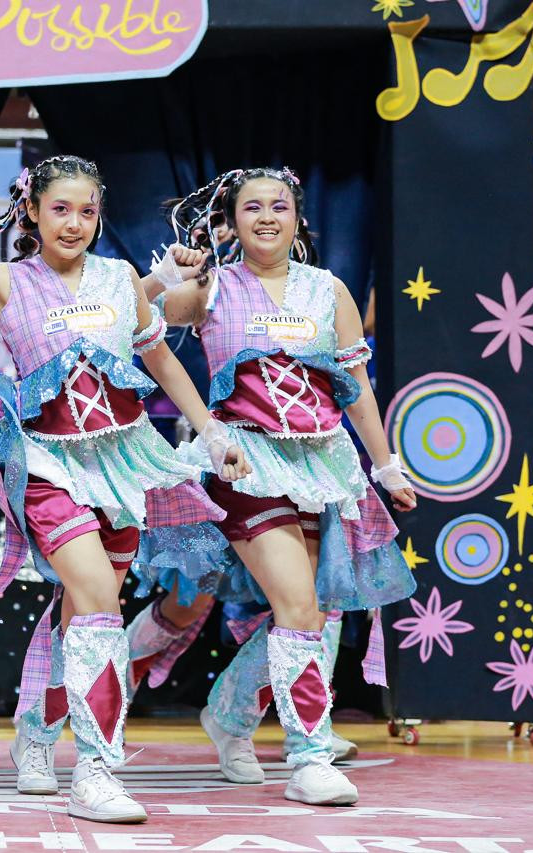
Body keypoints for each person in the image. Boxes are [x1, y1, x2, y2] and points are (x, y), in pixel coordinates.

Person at [0, 155, 248, 824]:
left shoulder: (119, 278)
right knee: (99, 599)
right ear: (32, 212)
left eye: (87, 211)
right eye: (60, 209)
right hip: (46, 465)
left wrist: (212, 431)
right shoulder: (2, 280)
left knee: (83, 613)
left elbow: (160, 357)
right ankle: (97, 771)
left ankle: (36, 732)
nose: (74, 223)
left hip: (123, 464)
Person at [140, 167, 418, 806]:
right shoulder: (212, 288)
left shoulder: (329, 291)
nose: (267, 217)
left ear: (298, 218)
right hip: (245, 462)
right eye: (253, 207)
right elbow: (132, 321)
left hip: (321, 466)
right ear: (232, 221)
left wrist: (386, 466)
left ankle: (229, 716)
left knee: (310, 612)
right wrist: (164, 278)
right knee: (296, 607)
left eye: (279, 206)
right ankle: (310, 759)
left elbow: (356, 388)